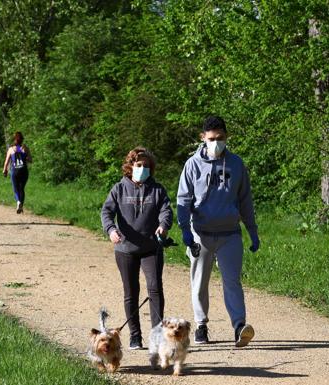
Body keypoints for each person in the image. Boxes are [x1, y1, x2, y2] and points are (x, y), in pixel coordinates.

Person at [176, 115, 260, 347]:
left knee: (232, 281)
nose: (216, 142)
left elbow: (245, 200)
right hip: (200, 234)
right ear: (203, 138)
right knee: (199, 281)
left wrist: (252, 231)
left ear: (226, 137)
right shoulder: (192, 165)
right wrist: (185, 230)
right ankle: (201, 325)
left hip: (229, 234)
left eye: (221, 138)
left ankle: (239, 326)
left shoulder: (236, 164)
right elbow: (183, 199)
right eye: (212, 138)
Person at [101, 147, 173, 350]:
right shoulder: (119, 189)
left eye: (146, 166)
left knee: (155, 288)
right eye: (139, 165)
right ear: (130, 166)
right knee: (131, 291)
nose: (142, 169)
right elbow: (106, 212)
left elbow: (166, 210)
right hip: (125, 249)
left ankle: (157, 336)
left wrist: (163, 225)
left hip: (151, 247)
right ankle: (135, 335)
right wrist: (111, 229)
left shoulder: (157, 190)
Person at [2, 131, 32, 214]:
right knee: (21, 188)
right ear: (22, 139)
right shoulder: (25, 148)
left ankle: (18, 202)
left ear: (14, 139)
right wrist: (24, 156)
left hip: (14, 171)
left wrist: (5, 170)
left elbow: (6, 162)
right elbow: (30, 160)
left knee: (15, 189)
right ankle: (21, 205)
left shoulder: (11, 149)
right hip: (24, 171)